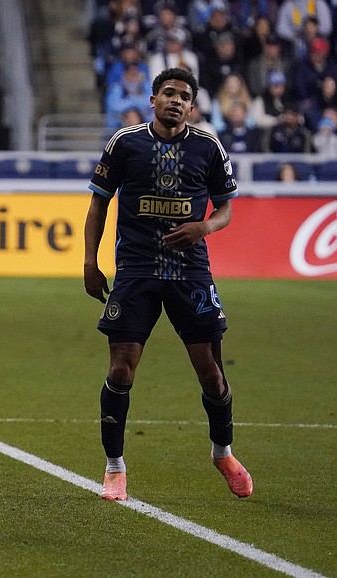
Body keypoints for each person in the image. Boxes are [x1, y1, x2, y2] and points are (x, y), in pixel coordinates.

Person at [83, 67, 252, 502]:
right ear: (153, 99)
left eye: (184, 96)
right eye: (168, 93)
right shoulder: (125, 143)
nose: (176, 101)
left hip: (190, 271)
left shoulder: (208, 148)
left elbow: (227, 209)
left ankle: (223, 453)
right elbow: (98, 204)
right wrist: (90, 260)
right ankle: (115, 468)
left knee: (212, 375)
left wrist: (204, 228)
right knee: (121, 368)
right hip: (136, 270)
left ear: (191, 107)